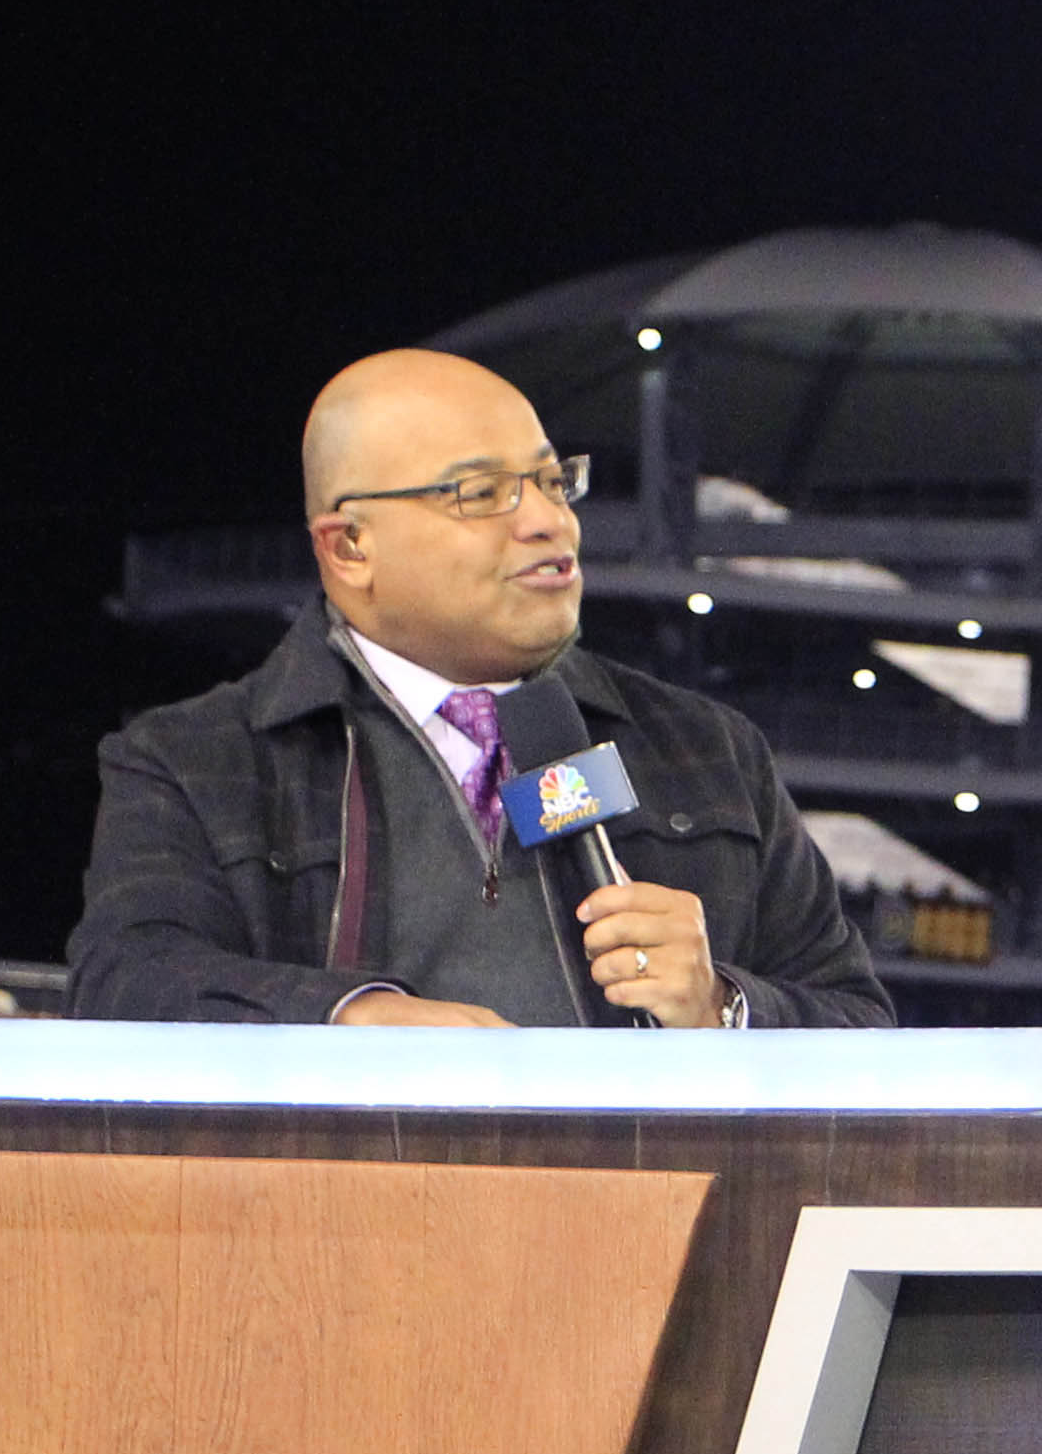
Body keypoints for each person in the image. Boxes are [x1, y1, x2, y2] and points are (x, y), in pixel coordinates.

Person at [72, 350, 889, 1032]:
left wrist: (724, 1007)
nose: (548, 522)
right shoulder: (192, 759)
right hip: (346, 1217)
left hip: (645, 1217)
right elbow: (129, 985)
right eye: (482, 493)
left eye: (552, 482)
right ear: (351, 546)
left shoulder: (708, 751)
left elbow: (859, 1021)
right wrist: (349, 1019)